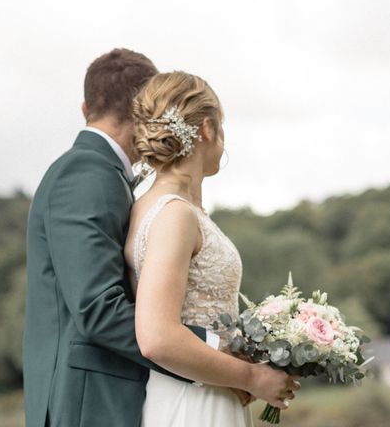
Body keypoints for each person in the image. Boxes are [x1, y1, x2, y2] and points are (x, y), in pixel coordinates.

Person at [23, 49, 297, 427]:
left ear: (86, 106)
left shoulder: (131, 189)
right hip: (86, 401)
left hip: (146, 391)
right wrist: (228, 358)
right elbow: (98, 310)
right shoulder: (87, 172)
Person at [125, 70, 296, 426]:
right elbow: (157, 337)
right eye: (223, 127)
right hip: (194, 402)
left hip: (206, 391)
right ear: (207, 129)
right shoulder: (174, 215)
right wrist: (250, 377)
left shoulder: (156, 206)